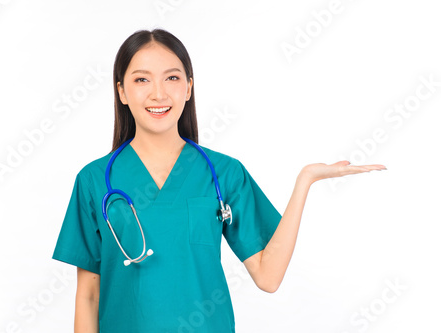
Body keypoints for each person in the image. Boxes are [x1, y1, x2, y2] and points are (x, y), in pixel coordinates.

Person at [52, 29, 386, 332]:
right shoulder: (95, 181)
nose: (158, 93)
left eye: (171, 78)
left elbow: (268, 277)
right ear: (122, 92)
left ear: (188, 87)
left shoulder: (224, 173)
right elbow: (89, 296)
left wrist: (305, 181)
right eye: (142, 80)